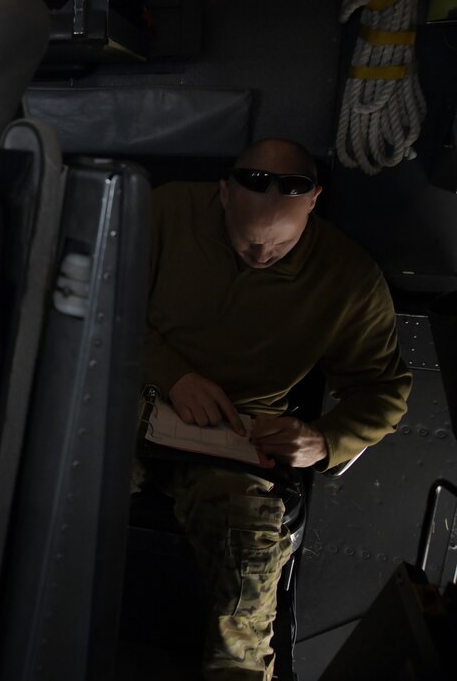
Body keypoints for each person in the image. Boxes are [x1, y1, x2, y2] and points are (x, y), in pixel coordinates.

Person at [137, 137, 412, 680]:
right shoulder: (166, 212)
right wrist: (173, 375)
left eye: (279, 246)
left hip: (231, 436)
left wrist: (324, 439)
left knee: (249, 569)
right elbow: (94, 301)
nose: (261, 257)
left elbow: (383, 390)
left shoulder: (348, 277)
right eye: (247, 243)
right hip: (131, 402)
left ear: (312, 204)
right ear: (222, 195)